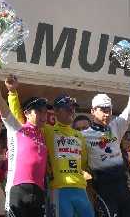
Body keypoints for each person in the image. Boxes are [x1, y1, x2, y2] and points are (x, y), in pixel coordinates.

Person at [5, 76, 94, 217]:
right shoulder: (47, 130)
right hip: (59, 188)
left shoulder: (80, 136)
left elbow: (83, 163)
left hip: (80, 188)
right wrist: (12, 93)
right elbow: (20, 119)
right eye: (67, 109)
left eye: (73, 109)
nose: (71, 112)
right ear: (57, 111)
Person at [81, 66, 130, 217]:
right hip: (103, 188)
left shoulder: (115, 126)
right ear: (92, 111)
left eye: (109, 109)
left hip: (123, 186)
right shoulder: (83, 135)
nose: (107, 113)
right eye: (102, 109)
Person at [0, 71, 49, 217]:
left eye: (45, 112)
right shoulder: (16, 127)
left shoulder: (43, 134)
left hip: (39, 191)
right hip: (18, 189)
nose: (43, 115)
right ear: (27, 113)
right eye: (39, 112)